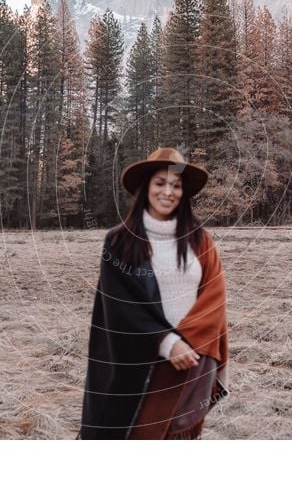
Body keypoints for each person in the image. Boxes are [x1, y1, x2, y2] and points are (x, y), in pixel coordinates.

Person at [78, 147, 229, 440]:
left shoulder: (201, 241)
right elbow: (120, 307)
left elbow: (214, 297)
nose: (168, 192)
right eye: (160, 183)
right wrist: (167, 342)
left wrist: (192, 342)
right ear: (146, 186)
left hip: (190, 361)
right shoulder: (119, 242)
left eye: (176, 185)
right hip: (138, 366)